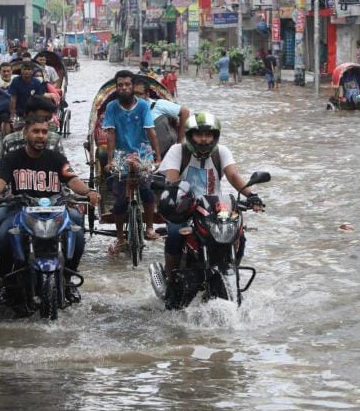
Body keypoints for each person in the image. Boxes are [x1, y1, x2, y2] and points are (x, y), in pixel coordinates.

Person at [0, 113, 100, 305]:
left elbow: (72, 179)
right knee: (3, 236)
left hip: (55, 210)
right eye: (36, 131)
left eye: (44, 132)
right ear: (25, 132)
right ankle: (5, 281)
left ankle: (68, 280)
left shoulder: (57, 158)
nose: (40, 136)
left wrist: (89, 192)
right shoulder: (12, 158)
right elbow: (1, 179)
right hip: (21, 210)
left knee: (77, 232)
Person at [157, 111, 265, 284]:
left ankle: (230, 273)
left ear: (215, 136)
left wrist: (251, 196)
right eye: (199, 134)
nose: (204, 139)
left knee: (238, 235)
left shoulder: (222, 152)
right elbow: (172, 180)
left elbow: (234, 176)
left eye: (208, 135)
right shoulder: (177, 151)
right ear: (190, 135)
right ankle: (171, 279)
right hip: (184, 209)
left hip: (213, 209)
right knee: (175, 234)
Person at [102, 70, 162, 254]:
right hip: (120, 154)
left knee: (146, 189)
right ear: (117, 87)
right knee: (121, 199)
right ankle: (120, 238)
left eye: (127, 84)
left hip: (142, 153)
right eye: (120, 85)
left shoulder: (143, 106)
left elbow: (150, 130)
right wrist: (110, 160)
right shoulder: (111, 107)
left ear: (132, 86)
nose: (124, 88)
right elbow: (110, 134)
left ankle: (150, 227)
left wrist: (157, 157)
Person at [133, 76, 190, 156]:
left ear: (147, 95)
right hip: (141, 155)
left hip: (167, 152)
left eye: (139, 94)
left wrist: (180, 142)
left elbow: (185, 112)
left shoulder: (159, 105)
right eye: (133, 94)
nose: (136, 98)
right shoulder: (124, 111)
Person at [0, 95, 64, 157]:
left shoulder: (55, 140)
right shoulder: (9, 141)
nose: (47, 123)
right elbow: (4, 167)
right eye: (44, 119)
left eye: (49, 119)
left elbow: (63, 166)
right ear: (30, 116)